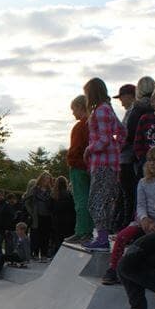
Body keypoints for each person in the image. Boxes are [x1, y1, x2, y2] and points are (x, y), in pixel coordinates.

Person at [102, 146, 155, 285]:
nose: (152, 163)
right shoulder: (143, 182)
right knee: (122, 236)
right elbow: (140, 205)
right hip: (147, 222)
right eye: (149, 160)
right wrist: (144, 219)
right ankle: (113, 269)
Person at [83, 78, 127, 250]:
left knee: (96, 200)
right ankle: (102, 236)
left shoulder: (101, 111)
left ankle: (102, 238)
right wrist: (118, 150)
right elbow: (122, 132)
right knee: (106, 199)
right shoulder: (108, 109)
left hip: (102, 163)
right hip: (110, 162)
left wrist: (89, 149)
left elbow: (105, 139)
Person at [114, 77, 155, 230]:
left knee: (129, 195)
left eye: (122, 97)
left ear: (131, 95)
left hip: (129, 158)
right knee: (127, 195)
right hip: (132, 158)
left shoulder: (135, 111)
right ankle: (123, 225)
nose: (121, 101)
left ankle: (125, 227)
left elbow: (129, 135)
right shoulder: (137, 110)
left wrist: (118, 147)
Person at [65, 95, 92, 243]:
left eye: (74, 109)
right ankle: (88, 229)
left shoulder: (80, 126)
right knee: (90, 199)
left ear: (80, 107)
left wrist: (71, 159)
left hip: (78, 167)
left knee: (81, 200)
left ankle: (82, 231)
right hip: (91, 167)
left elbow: (75, 149)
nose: (73, 113)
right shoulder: (93, 124)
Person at [25, 174, 52, 261]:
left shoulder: (50, 190)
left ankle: (44, 254)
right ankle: (35, 253)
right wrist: (32, 212)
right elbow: (27, 202)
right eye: (45, 178)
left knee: (46, 236)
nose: (47, 180)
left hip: (47, 216)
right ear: (41, 179)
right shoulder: (34, 189)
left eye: (48, 179)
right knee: (36, 235)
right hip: (37, 216)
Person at [50, 176, 75, 254]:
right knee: (68, 238)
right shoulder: (69, 195)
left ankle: (57, 253)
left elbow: (50, 208)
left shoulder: (53, 195)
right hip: (69, 220)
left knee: (58, 239)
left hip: (57, 220)